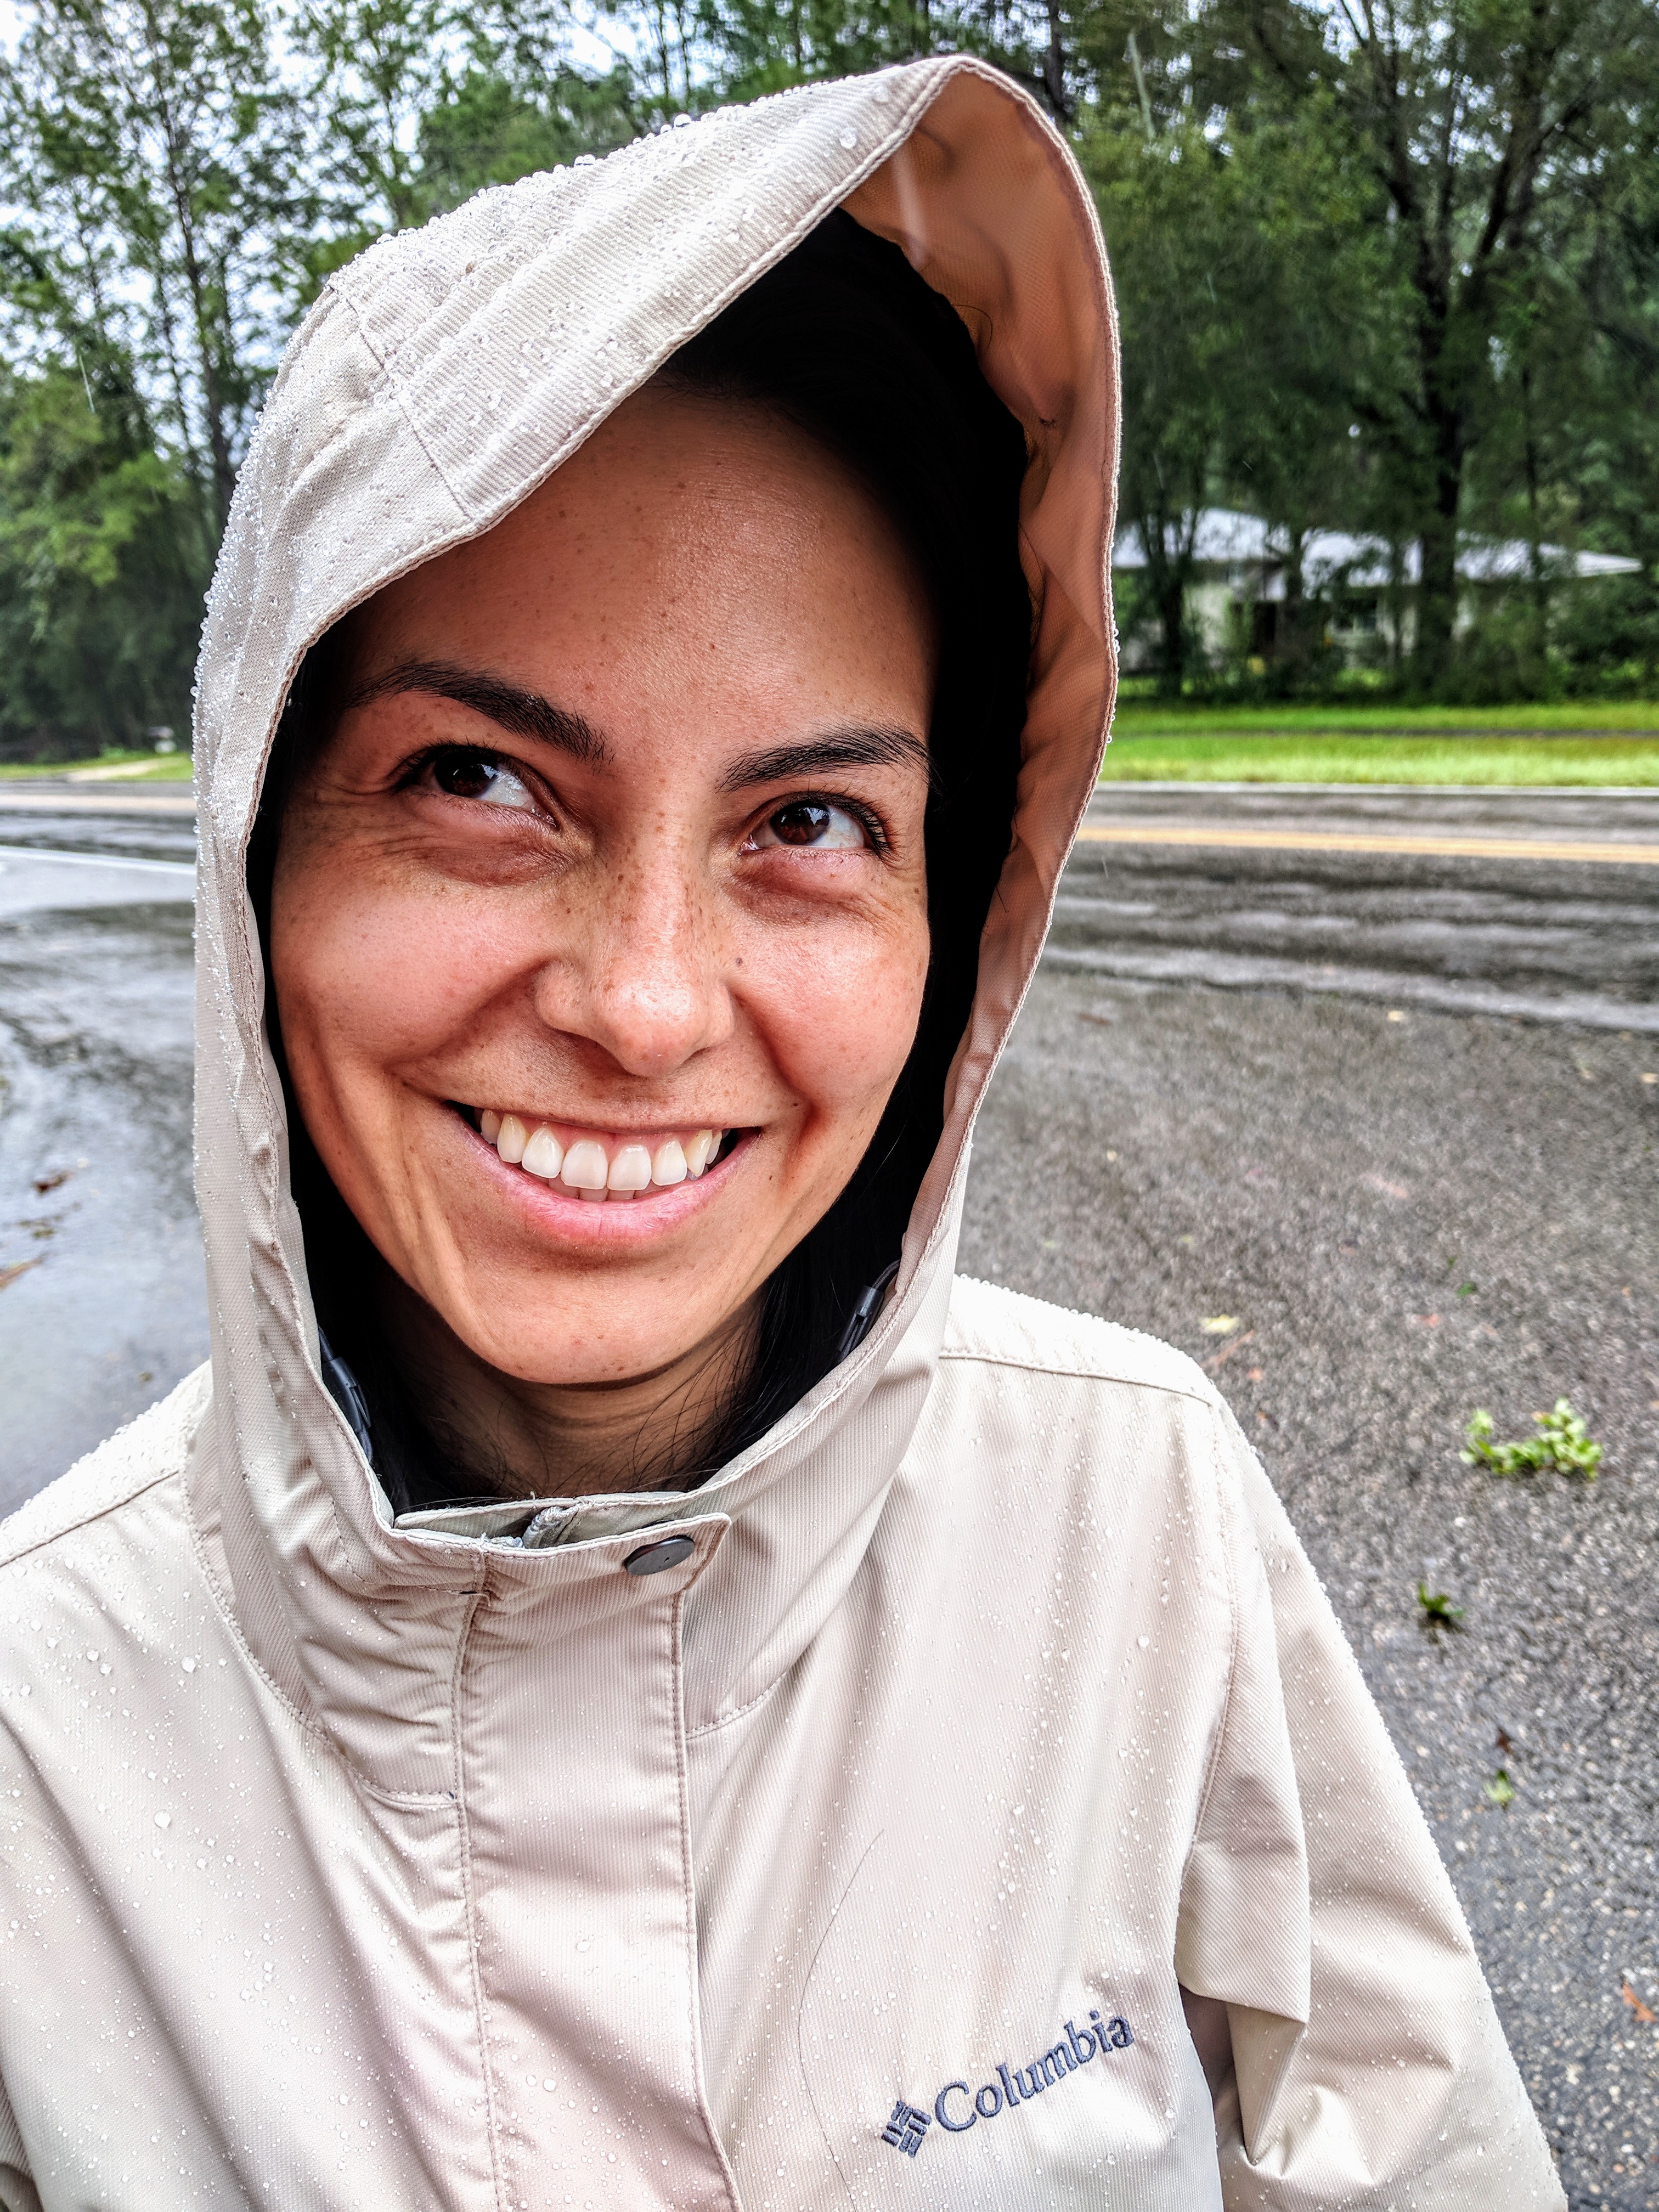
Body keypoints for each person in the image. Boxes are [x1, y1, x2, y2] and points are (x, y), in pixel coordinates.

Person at [0, 55, 1561, 2212]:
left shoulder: (1136, 1513)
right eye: (479, 781)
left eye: (812, 822)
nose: (642, 1006)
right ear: (262, 850)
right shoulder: (33, 1739)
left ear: (956, 906)